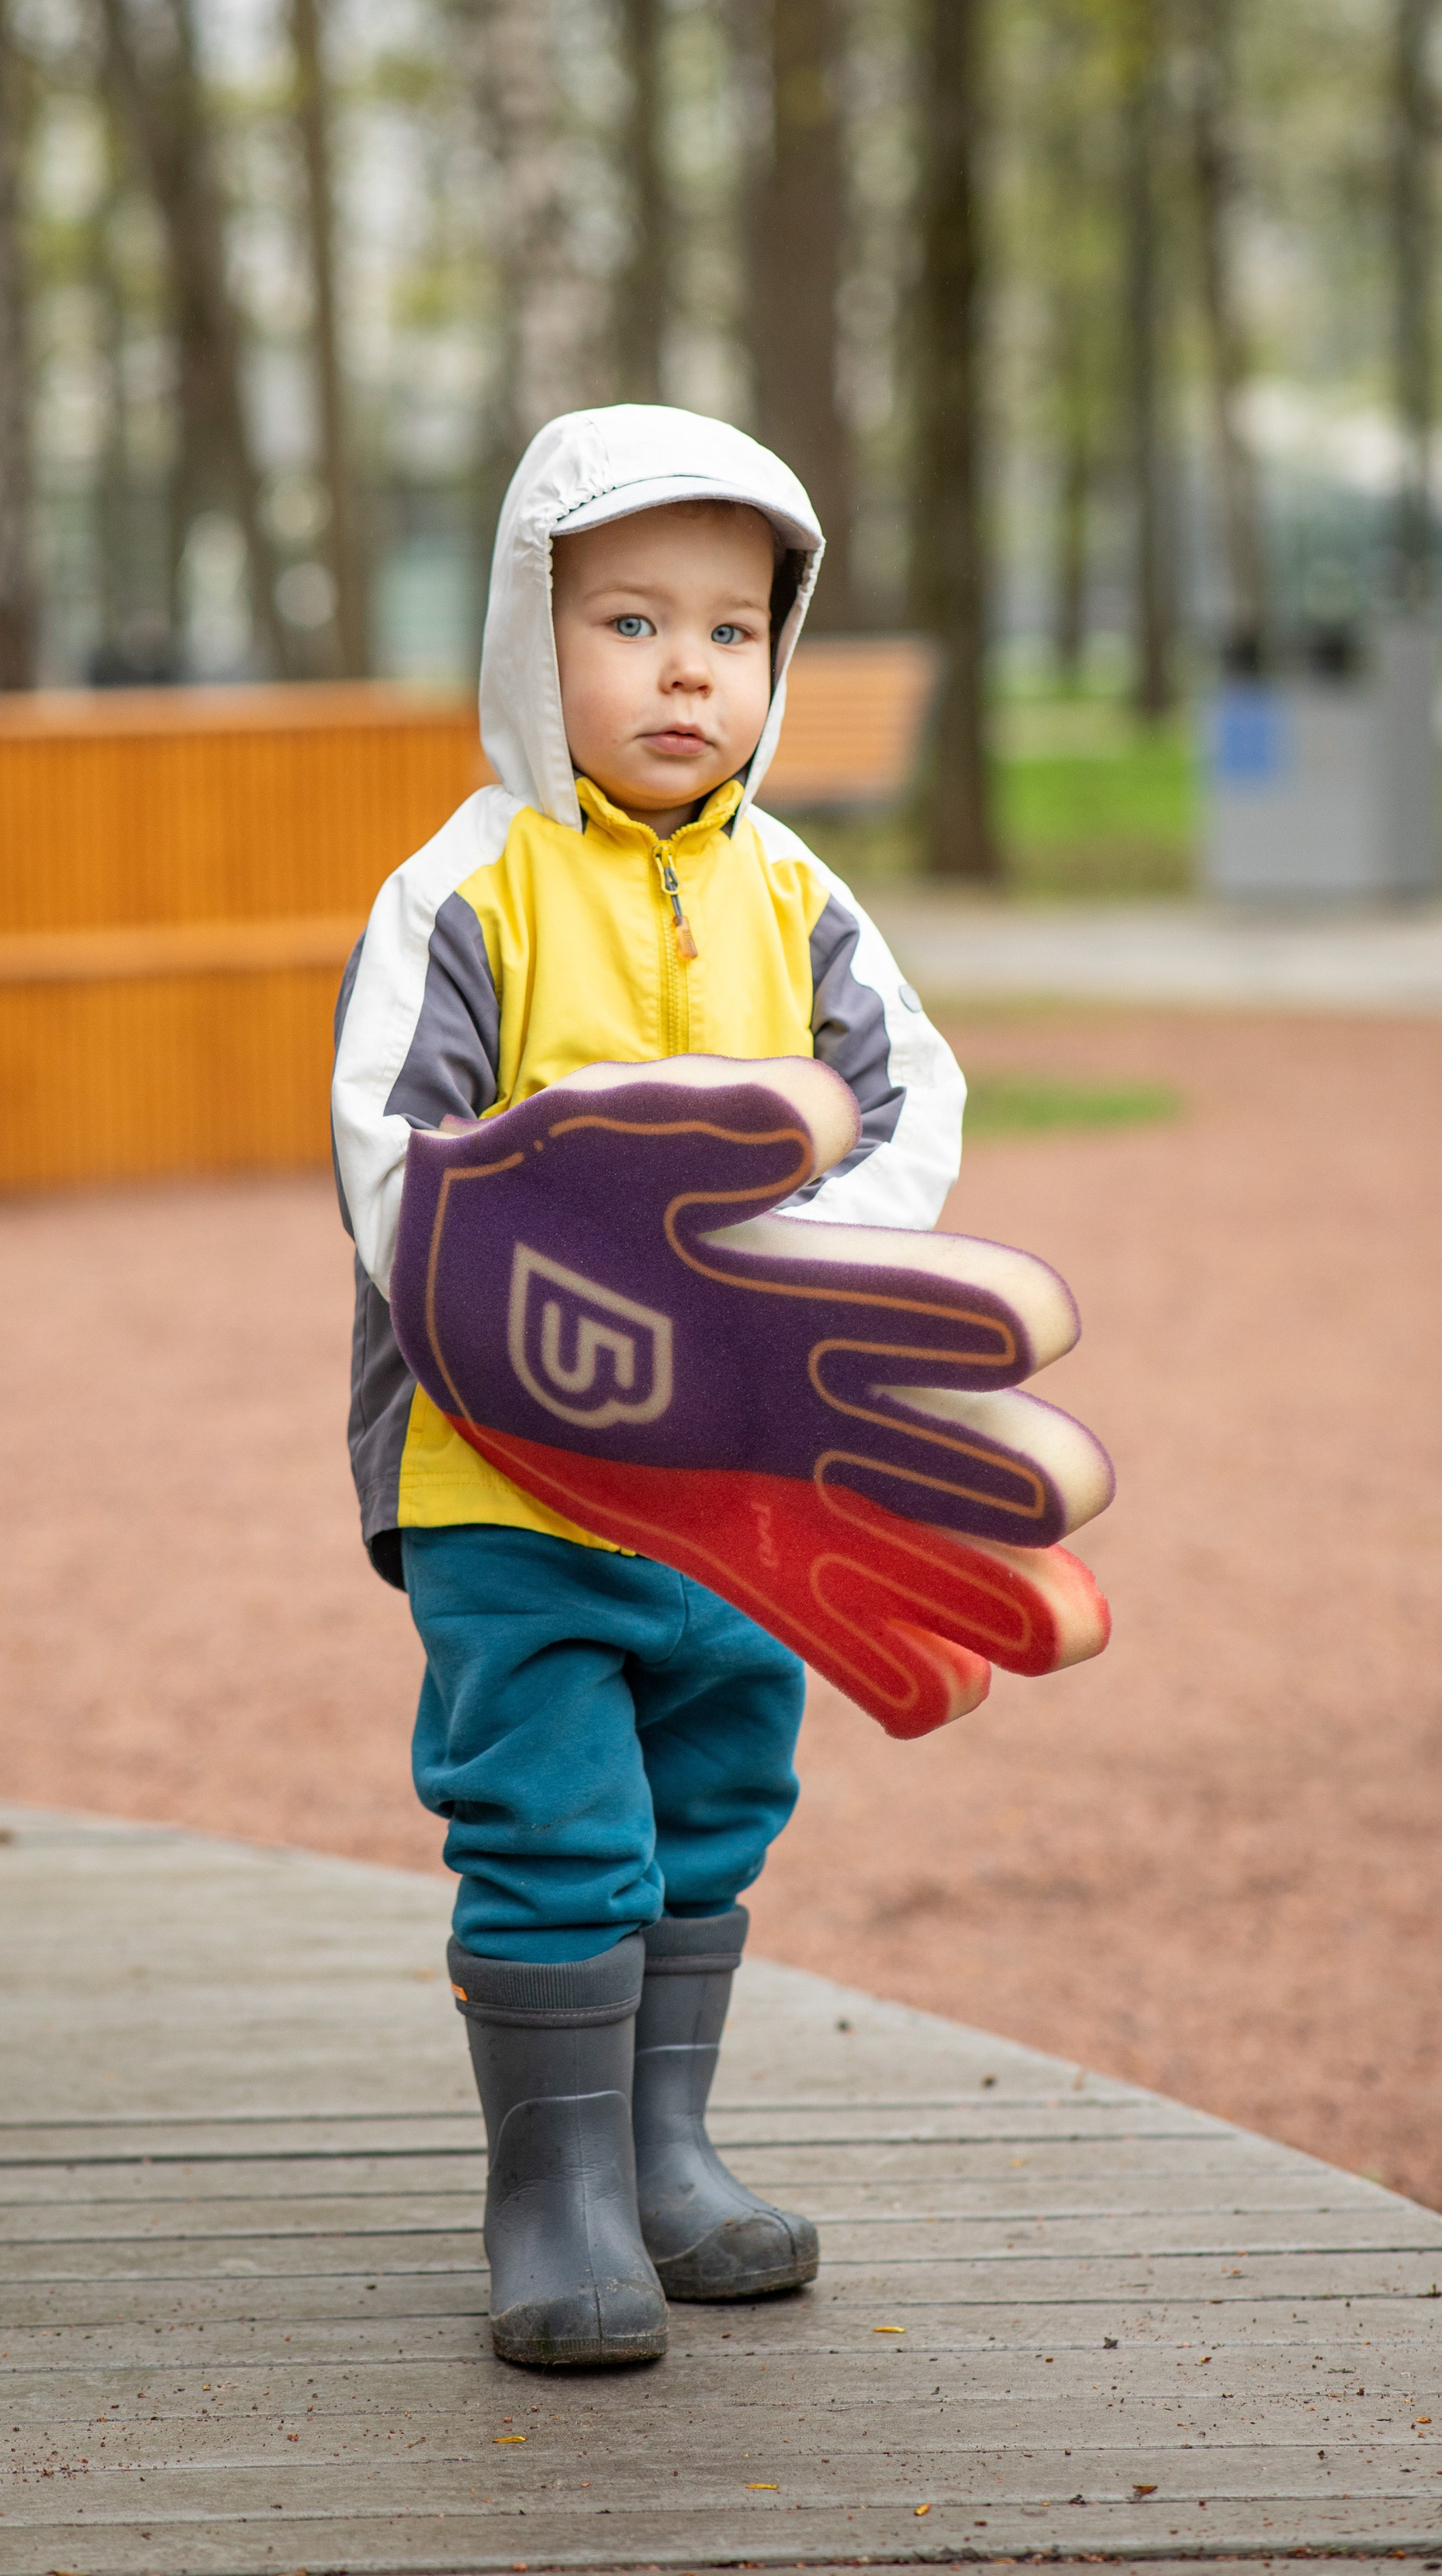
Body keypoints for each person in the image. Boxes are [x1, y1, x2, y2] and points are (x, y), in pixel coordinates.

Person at [330, 403, 966, 2369]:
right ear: (531, 640)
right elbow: (392, 1156)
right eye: (626, 621)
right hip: (509, 1466)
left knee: (712, 1793)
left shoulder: (797, 896)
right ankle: (553, 2197)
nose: (686, 668)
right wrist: (560, 1276)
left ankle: (660, 2149)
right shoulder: (467, 892)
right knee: (550, 1814)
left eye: (732, 630)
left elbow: (910, 1103)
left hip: (740, 1473)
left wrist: (801, 1265)